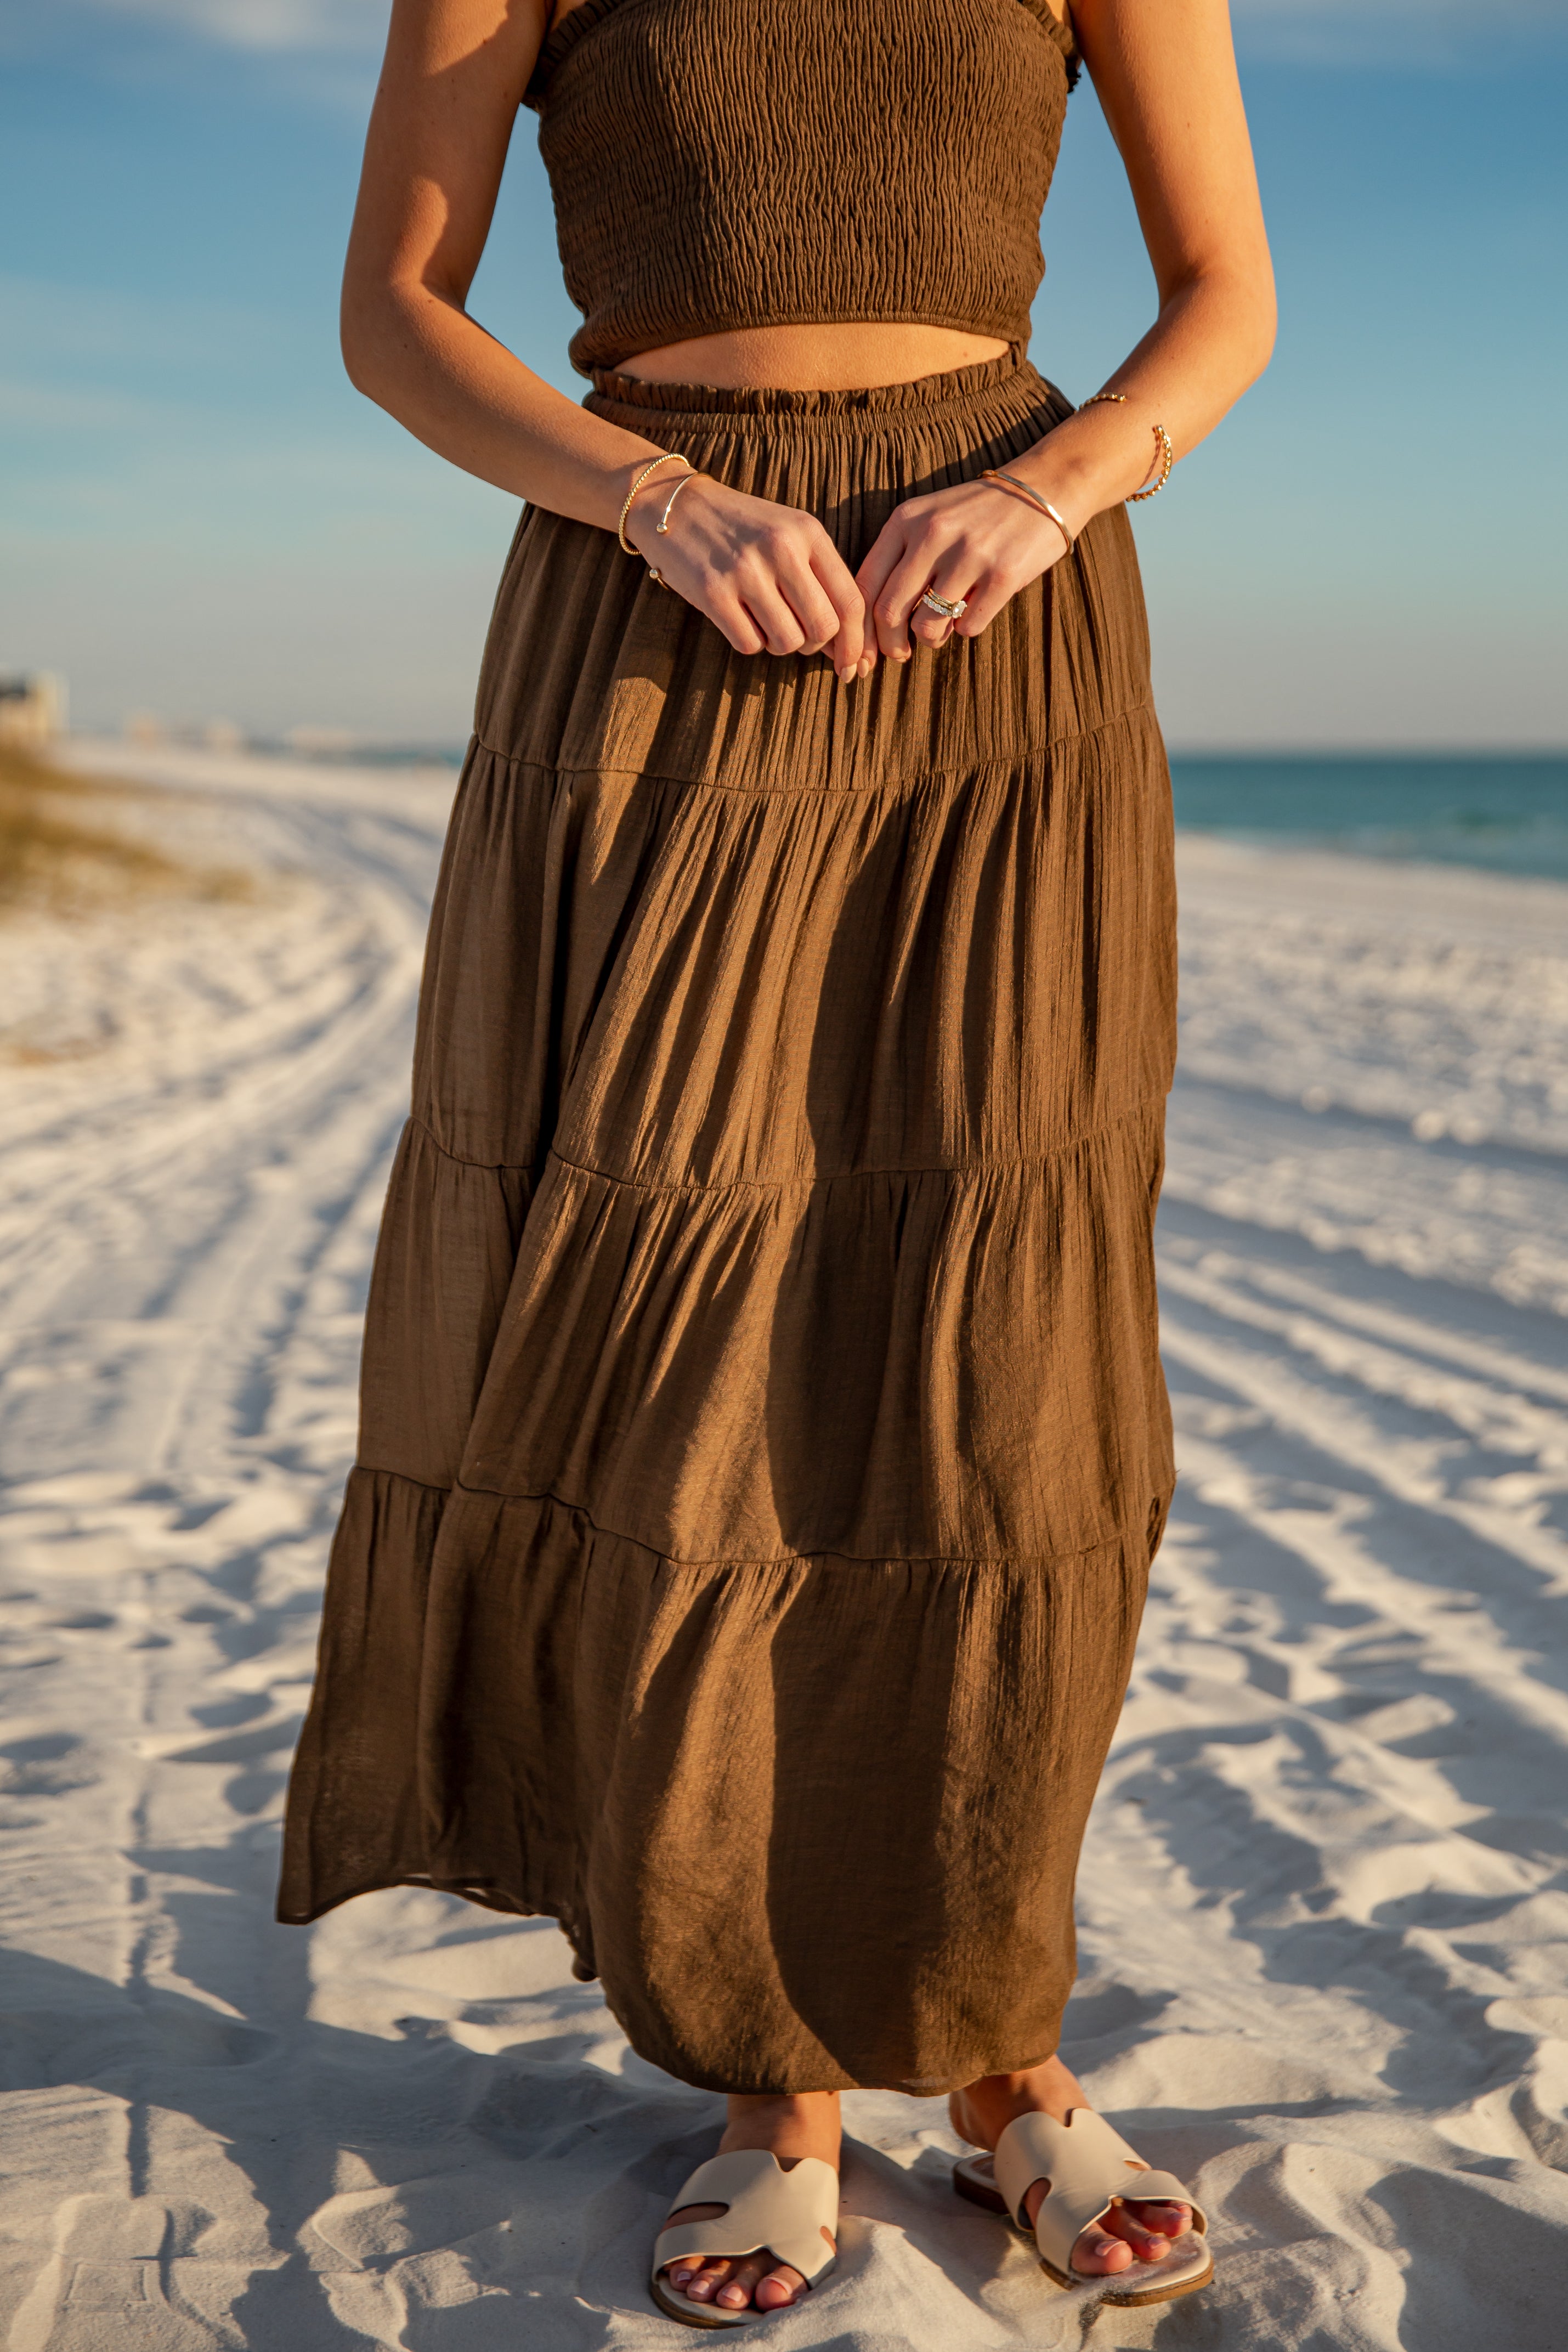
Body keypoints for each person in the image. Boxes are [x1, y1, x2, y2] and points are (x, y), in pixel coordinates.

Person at [277, 0, 1275, 2322]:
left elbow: (1220, 286)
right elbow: (393, 314)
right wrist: (647, 488)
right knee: (692, 1359)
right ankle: (771, 2081)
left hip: (992, 632)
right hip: (657, 614)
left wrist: (1048, 487)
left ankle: (1004, 2047)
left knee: (996, 1366)